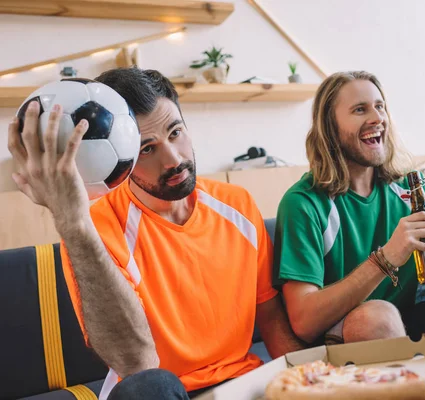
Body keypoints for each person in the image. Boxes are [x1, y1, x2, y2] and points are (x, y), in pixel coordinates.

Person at [7, 67, 304, 400]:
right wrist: (73, 223)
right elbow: (136, 363)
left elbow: (270, 314)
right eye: (147, 149)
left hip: (242, 385)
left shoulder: (237, 204)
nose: (174, 160)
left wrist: (309, 377)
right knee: (152, 386)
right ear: (122, 156)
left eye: (175, 132)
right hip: (158, 391)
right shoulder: (95, 229)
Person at [273, 71, 425, 346]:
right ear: (330, 127)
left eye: (380, 107)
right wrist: (386, 258)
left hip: (409, 317)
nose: (377, 118)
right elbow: (305, 323)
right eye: (360, 109)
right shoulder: (304, 203)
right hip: (350, 329)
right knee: (378, 317)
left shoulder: (409, 187)